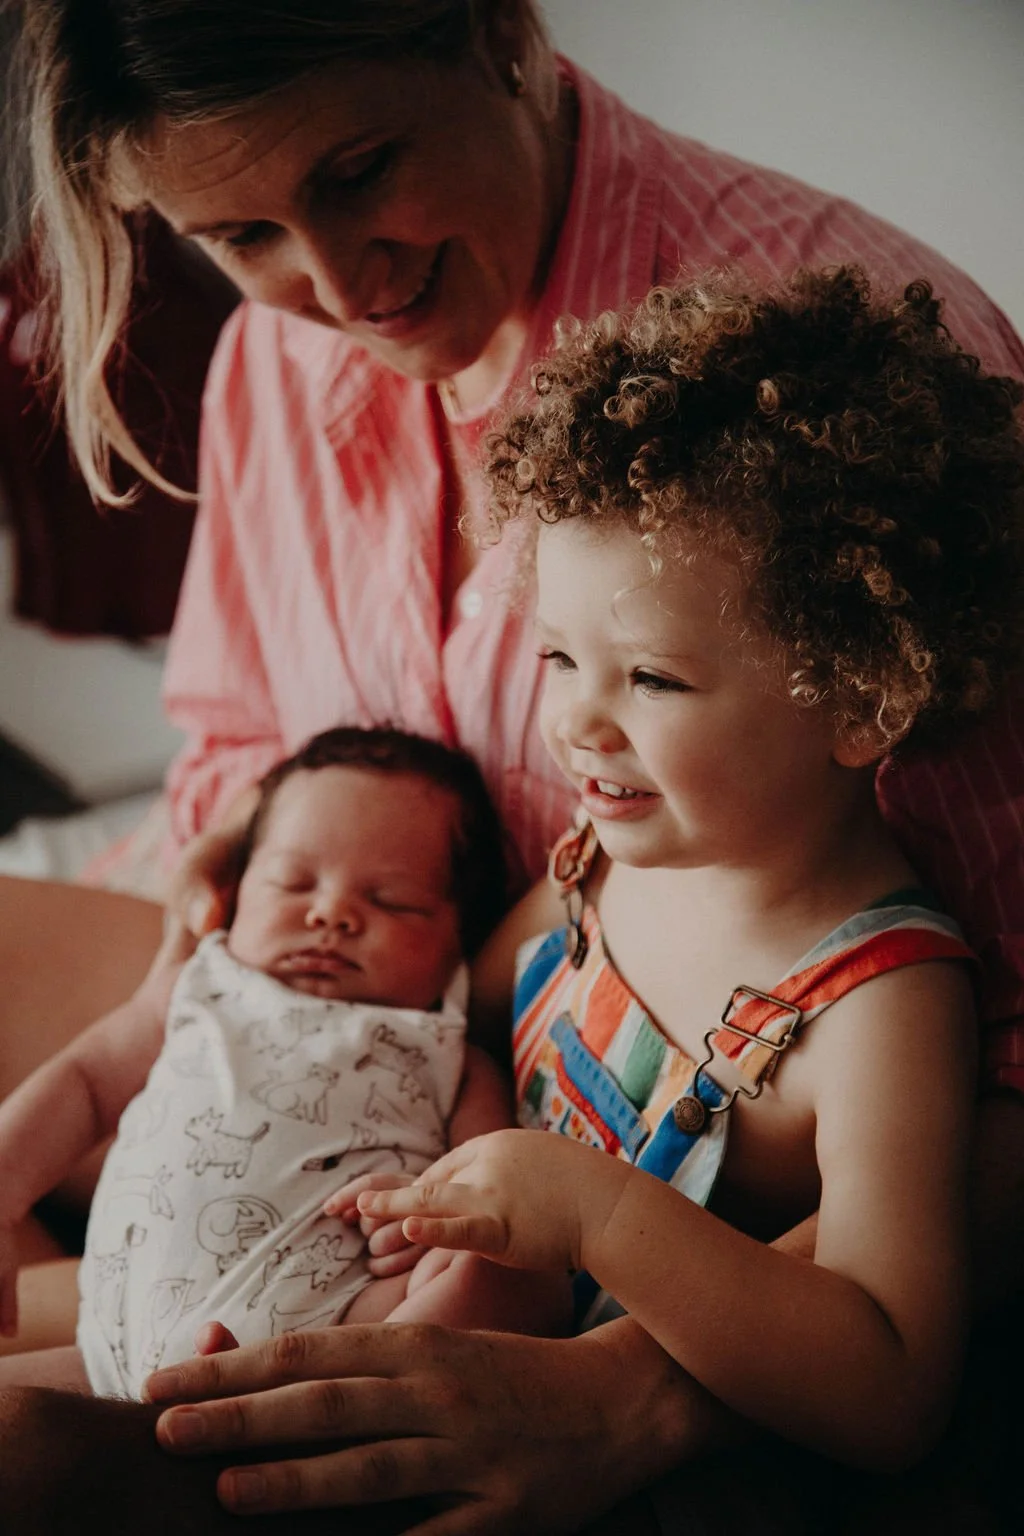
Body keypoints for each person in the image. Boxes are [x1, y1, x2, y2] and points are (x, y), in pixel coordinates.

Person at [1, 0, 1023, 1529]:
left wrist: (638, 1395)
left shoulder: (848, 404)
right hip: (392, 1114)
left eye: (362, 168)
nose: (335, 290)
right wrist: (239, 883)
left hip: (578, 1254)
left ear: (496, 31)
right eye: (240, 237)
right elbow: (232, 744)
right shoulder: (274, 373)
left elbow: (982, 1101)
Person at [311, 263, 1024, 1468]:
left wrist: (593, 1215)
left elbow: (892, 1383)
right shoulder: (609, 854)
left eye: (650, 678)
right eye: (554, 657)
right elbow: (454, 1023)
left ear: (858, 701)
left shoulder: (882, 1001)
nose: (581, 723)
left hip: (571, 1449)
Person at [0, 725, 566, 1396]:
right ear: (234, 893)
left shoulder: (449, 1054)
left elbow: (488, 1188)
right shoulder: (193, 989)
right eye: (292, 882)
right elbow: (85, 1084)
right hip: (104, 1357)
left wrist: (429, 1218)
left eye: (391, 901)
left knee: (485, 1276)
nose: (330, 913)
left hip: (334, 1339)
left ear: (457, 946)